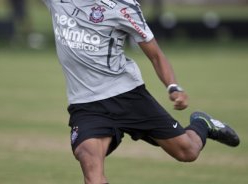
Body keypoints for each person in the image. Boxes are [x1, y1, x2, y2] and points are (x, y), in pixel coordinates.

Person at [42, 0, 240, 183]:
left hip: (127, 96)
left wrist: (173, 87)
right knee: (90, 163)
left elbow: (155, 55)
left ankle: (202, 124)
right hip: (86, 105)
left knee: (187, 151)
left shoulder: (123, 6)